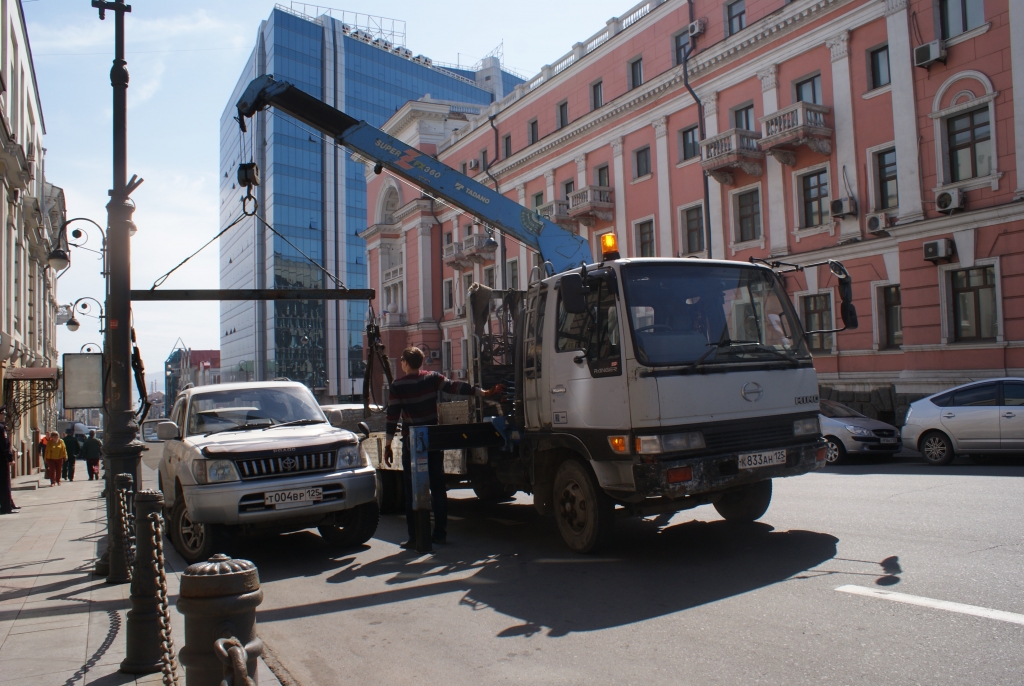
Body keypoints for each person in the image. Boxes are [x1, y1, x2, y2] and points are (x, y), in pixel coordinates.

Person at [384, 346, 501, 547]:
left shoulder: (397, 385)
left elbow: (392, 417)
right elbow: (456, 386)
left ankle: (415, 537)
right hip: (432, 441)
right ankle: (440, 534)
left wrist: (387, 445)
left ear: (404, 362)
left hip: (412, 444)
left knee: (412, 490)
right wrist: (483, 392)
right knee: (438, 488)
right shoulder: (432, 378)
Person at [0, 407, 17, 514]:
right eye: (3, 413)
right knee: (4, 483)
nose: (4, 415)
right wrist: (10, 458)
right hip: (2, 459)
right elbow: (5, 445)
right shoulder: (1, 428)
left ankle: (9, 504)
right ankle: (6, 507)